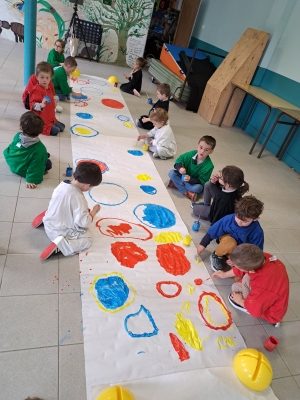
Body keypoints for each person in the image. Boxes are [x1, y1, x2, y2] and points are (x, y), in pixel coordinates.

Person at [32, 162, 102, 260]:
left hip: (49, 221)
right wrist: (94, 211)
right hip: (58, 233)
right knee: (88, 239)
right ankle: (62, 246)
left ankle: (46, 217)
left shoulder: (63, 184)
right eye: (91, 187)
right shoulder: (78, 197)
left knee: (62, 207)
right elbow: (83, 223)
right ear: (86, 186)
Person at [212, 244, 289, 325]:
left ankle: (247, 307)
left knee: (241, 285)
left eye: (237, 266)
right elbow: (243, 269)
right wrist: (225, 274)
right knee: (235, 287)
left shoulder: (262, 286)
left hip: (272, 313)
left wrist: (240, 301)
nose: (235, 267)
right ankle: (247, 301)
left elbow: (255, 311)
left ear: (251, 270)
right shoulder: (262, 257)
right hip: (270, 290)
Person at [197, 195, 264, 271]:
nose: (239, 222)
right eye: (237, 217)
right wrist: (203, 244)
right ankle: (217, 255)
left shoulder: (257, 232)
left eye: (244, 221)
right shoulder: (229, 219)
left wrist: (238, 260)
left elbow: (256, 252)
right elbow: (214, 230)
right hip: (228, 241)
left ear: (255, 219)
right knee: (229, 243)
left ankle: (230, 259)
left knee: (243, 272)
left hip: (241, 252)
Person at [3, 111, 51, 189]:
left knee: (43, 154)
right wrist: (31, 179)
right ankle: (44, 156)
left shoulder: (17, 136)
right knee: (48, 164)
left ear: (21, 127)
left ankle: (43, 156)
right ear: (41, 130)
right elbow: (35, 166)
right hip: (21, 168)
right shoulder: (40, 148)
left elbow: (13, 148)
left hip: (13, 161)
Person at [167, 135, 216, 201]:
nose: (202, 151)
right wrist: (180, 168)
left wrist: (190, 179)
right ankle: (186, 191)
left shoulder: (209, 166)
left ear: (211, 151)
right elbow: (179, 160)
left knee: (199, 188)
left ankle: (177, 184)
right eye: (201, 148)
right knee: (171, 173)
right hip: (183, 177)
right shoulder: (191, 154)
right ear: (197, 146)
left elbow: (202, 181)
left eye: (206, 150)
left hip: (192, 183)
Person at [29, 62, 65, 136]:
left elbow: (52, 97)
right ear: (37, 77)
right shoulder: (36, 90)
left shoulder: (49, 87)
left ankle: (51, 122)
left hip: (50, 117)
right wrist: (40, 105)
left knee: (62, 128)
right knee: (56, 131)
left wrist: (54, 102)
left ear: (50, 78)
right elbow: (32, 104)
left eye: (47, 78)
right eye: (42, 77)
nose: (45, 80)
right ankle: (39, 127)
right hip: (42, 120)